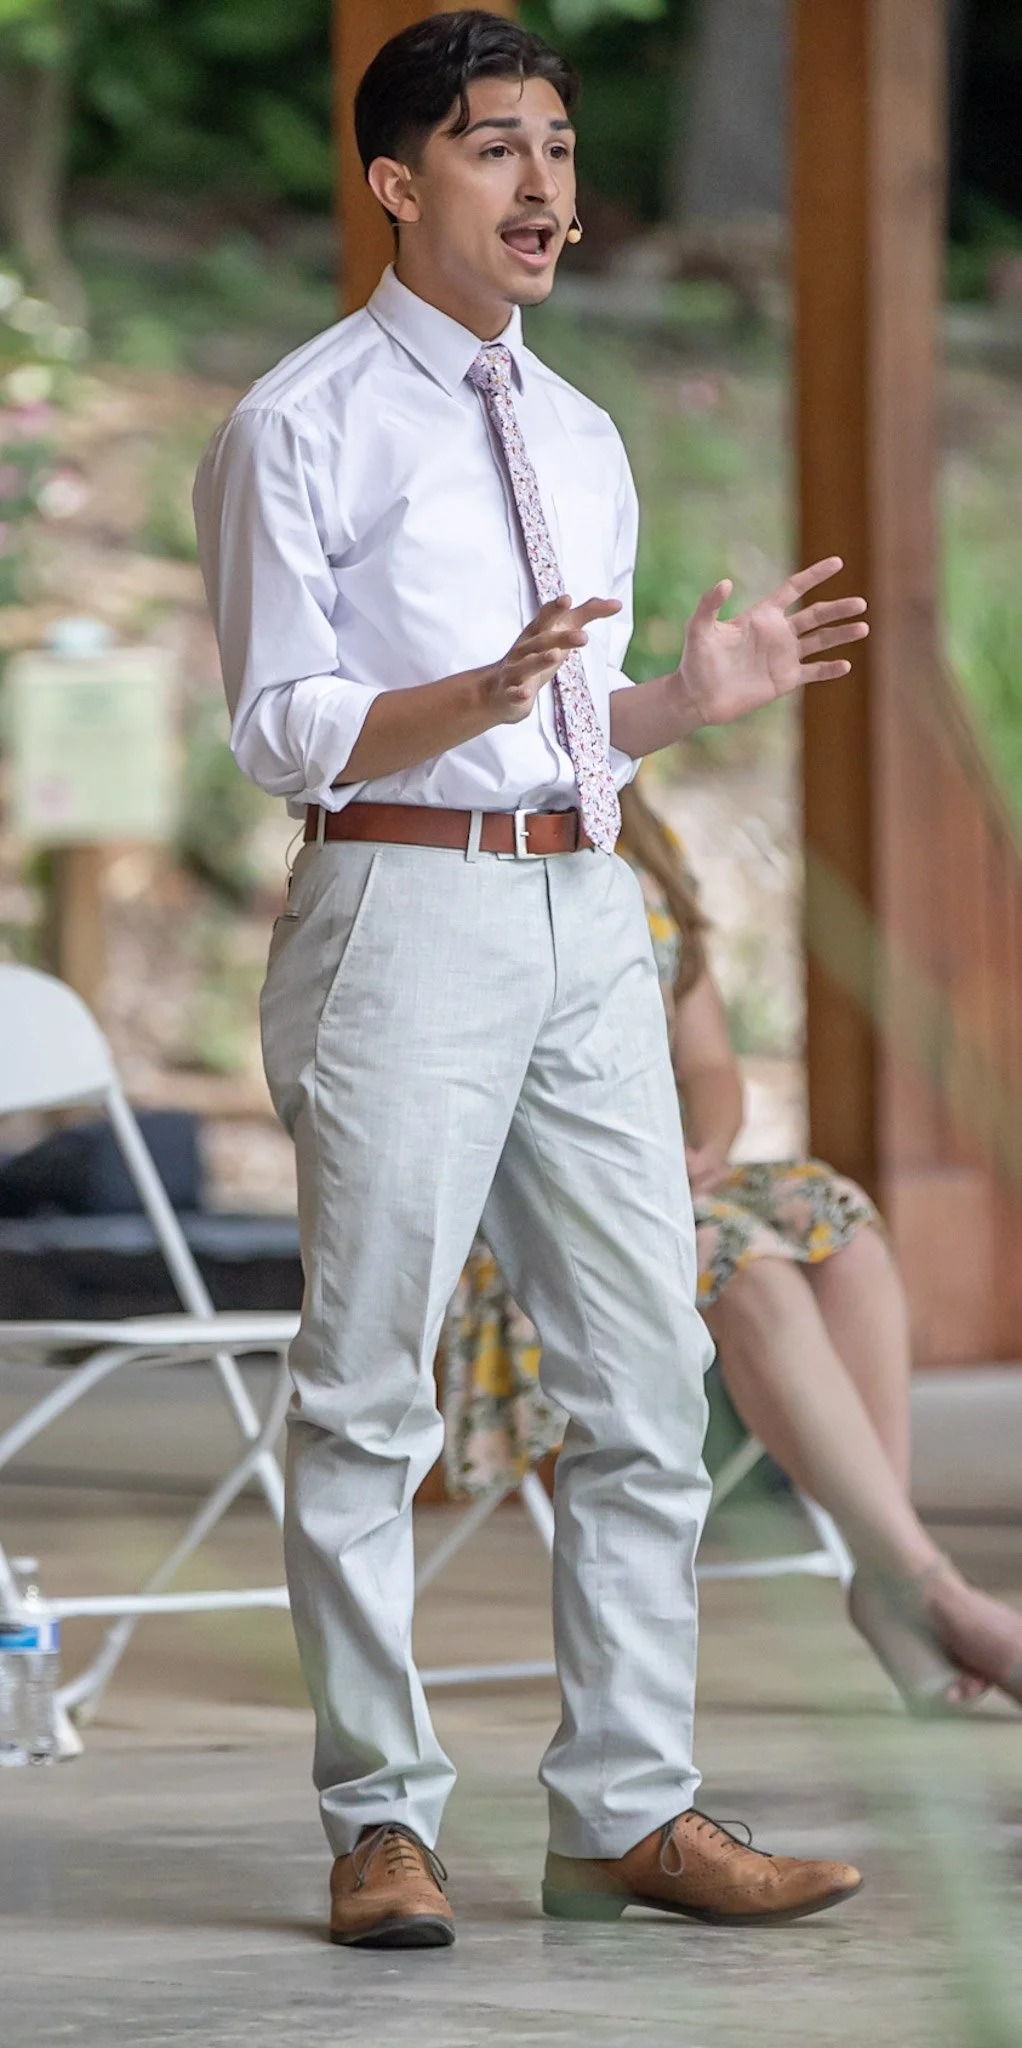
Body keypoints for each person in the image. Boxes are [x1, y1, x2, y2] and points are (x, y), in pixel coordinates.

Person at [193, 11, 871, 1949]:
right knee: (365, 1390)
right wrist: (462, 699)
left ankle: (625, 1809)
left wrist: (673, 706)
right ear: (398, 181)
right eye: (497, 148)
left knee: (649, 1378)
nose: (545, 185)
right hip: (398, 920)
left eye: (560, 146)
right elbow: (284, 723)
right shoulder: (296, 425)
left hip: (588, 919)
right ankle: (377, 1820)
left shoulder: (577, 435)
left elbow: (572, 736)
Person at [444, 777, 1022, 1719]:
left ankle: (887, 1571)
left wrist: (702, 1144)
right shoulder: (471, 821)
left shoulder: (635, 818)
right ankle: (928, 1584)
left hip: (666, 1176)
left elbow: (707, 1062)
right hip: (530, 1208)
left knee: (842, 1224)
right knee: (744, 1266)